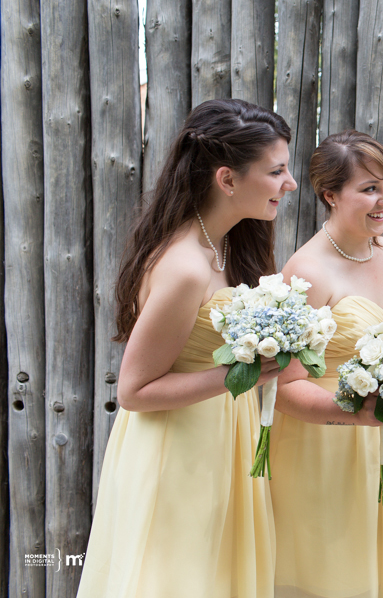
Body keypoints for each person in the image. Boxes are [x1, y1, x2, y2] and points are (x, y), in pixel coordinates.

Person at [78, 98, 297, 597]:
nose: (290, 184)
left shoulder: (221, 245)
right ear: (227, 179)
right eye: (277, 171)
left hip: (220, 439)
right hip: (179, 454)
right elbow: (133, 389)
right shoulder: (185, 267)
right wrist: (248, 371)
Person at [267, 130, 383, 598]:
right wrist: (356, 410)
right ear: (330, 195)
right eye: (369, 189)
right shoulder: (307, 271)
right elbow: (282, 389)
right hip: (325, 444)